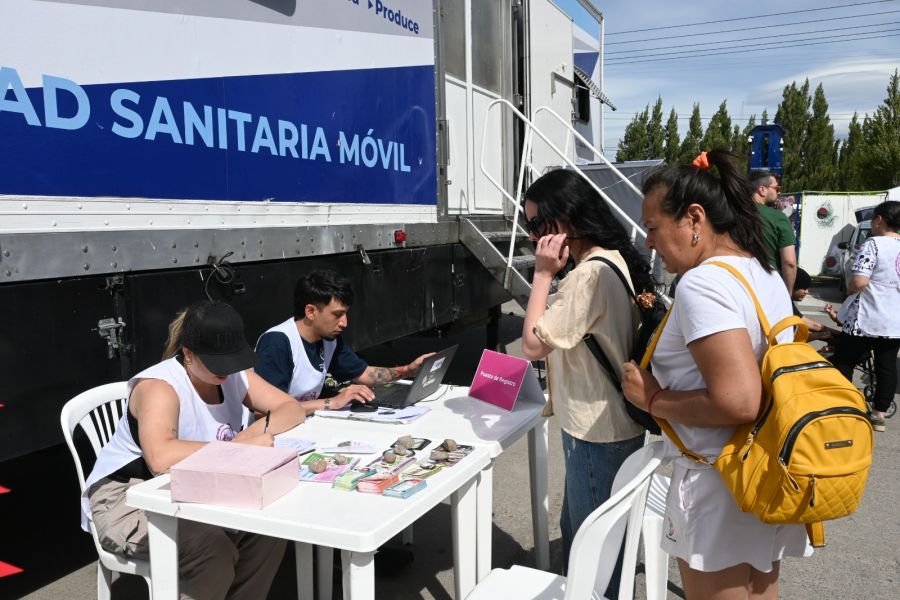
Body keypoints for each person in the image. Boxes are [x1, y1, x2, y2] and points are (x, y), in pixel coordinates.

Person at [621, 150, 810, 600]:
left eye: (652, 228)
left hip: (717, 478)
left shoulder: (704, 282)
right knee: (762, 587)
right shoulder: (759, 271)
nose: (648, 242)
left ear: (694, 218)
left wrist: (651, 398)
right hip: (764, 465)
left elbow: (738, 400)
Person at [82, 301, 307, 600]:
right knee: (210, 549)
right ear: (188, 353)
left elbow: (291, 409)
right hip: (130, 498)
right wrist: (238, 446)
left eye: (233, 360)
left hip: (196, 486)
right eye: (218, 363)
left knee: (270, 531)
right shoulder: (159, 387)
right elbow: (161, 458)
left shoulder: (233, 375)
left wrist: (259, 430)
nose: (227, 372)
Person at [519, 169, 650, 579]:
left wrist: (542, 275)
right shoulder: (610, 259)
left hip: (597, 431)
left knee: (592, 547)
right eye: (529, 226)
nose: (533, 235)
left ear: (568, 218)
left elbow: (532, 344)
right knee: (586, 532)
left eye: (539, 224)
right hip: (607, 425)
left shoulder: (589, 274)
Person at [254, 269, 433, 413]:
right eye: (337, 314)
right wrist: (332, 402)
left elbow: (364, 374)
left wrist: (408, 370)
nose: (344, 323)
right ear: (310, 311)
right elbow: (266, 412)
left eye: (346, 314)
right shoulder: (277, 343)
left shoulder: (328, 339)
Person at [830, 200, 900, 433]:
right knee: (887, 366)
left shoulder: (874, 244)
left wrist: (851, 287)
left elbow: (859, 281)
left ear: (879, 219)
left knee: (845, 360)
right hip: (894, 320)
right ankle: (879, 415)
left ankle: (843, 407)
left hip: (867, 316)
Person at [749, 170, 797, 292]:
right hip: (767, 287)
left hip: (735, 284)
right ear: (762, 189)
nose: (779, 192)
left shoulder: (730, 213)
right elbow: (789, 262)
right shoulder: (778, 218)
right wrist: (788, 293)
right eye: (776, 188)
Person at [790, 267, 836, 342]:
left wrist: (840, 335)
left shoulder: (788, 303)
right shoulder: (784, 306)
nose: (806, 292)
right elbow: (789, 342)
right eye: (804, 288)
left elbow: (814, 325)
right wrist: (816, 336)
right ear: (794, 286)